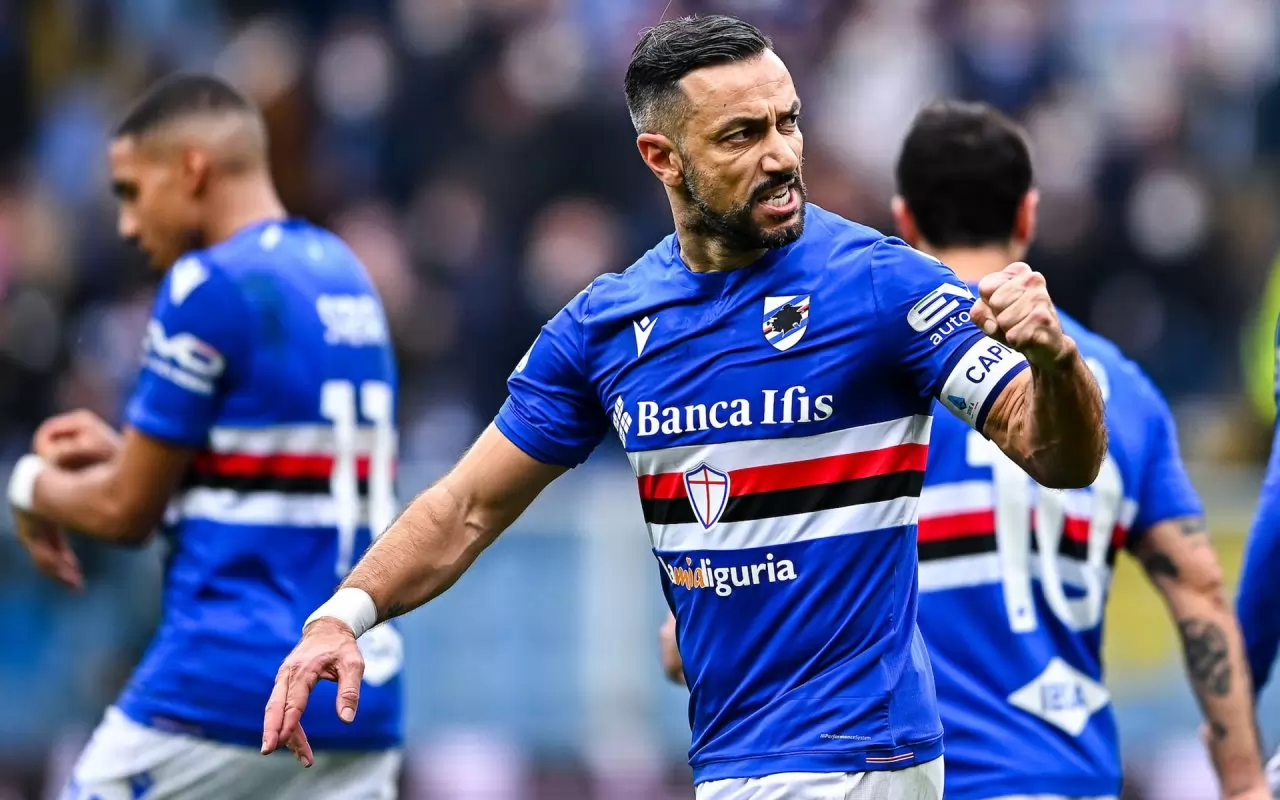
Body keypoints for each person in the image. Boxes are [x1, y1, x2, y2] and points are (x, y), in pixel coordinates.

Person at [262, 16, 1107, 799]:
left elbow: (1057, 454)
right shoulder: (607, 325)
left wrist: (1056, 362)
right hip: (736, 754)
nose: (780, 155)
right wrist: (343, 615)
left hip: (856, 753)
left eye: (788, 122)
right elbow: (466, 507)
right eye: (742, 135)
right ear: (661, 157)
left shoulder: (882, 285)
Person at [661, 100, 1268, 799]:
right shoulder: (1120, 390)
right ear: (1027, 216)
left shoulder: (847, 374)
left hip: (891, 774)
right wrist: (1243, 782)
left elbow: (714, 625)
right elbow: (1199, 593)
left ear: (905, 221)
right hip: (1061, 775)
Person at [6, 74, 403, 799]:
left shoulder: (209, 283)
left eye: (132, 192)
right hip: (360, 691)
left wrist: (30, 486)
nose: (127, 224)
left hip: (227, 683)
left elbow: (126, 511)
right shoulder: (343, 274)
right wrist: (136, 457)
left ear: (191, 169)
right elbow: (286, 473)